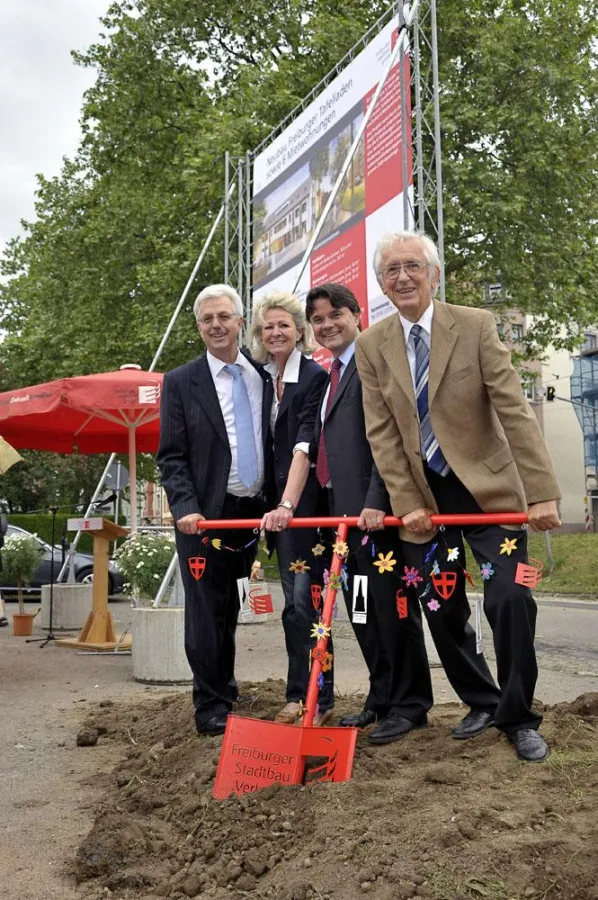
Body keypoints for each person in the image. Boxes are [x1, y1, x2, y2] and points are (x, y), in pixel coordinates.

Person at [355, 230, 561, 762]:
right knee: (440, 607)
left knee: (510, 599)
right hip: (426, 501)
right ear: (381, 282)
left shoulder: (473, 325)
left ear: (433, 273)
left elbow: (513, 409)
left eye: (412, 266)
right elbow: (382, 433)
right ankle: (482, 700)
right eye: (391, 270)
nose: (402, 277)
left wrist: (540, 493)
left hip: (490, 494)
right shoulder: (370, 345)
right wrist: (406, 504)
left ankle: (517, 717)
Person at [266, 282, 434, 745]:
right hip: (343, 522)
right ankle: (381, 698)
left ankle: (410, 705)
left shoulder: (373, 362)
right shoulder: (329, 375)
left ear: (357, 313)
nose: (326, 324)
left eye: (335, 314)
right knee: (362, 612)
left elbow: (390, 441)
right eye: (317, 319)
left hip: (375, 517)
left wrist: (377, 501)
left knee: (393, 610)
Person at [157, 284, 268, 737]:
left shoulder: (263, 375)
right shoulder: (181, 382)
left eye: (224, 316)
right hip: (202, 518)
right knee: (204, 610)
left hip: (252, 514)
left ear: (241, 321)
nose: (217, 325)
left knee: (230, 607)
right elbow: (171, 455)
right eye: (207, 320)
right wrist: (185, 506)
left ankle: (225, 685)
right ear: (199, 328)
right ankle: (210, 705)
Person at [251, 291, 330, 725]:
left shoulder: (314, 378)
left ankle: (315, 697)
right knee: (294, 607)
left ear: (299, 331)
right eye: (268, 327)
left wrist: (287, 503)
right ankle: (301, 693)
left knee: (308, 604)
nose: (276, 332)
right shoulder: (262, 379)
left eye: (283, 325)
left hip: (303, 513)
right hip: (274, 515)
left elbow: (304, 444)